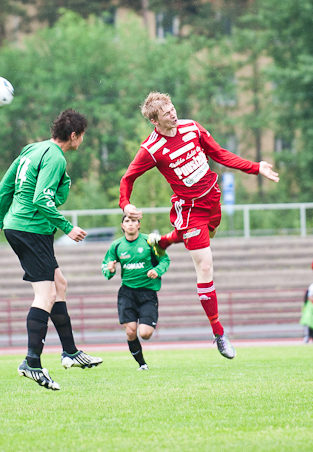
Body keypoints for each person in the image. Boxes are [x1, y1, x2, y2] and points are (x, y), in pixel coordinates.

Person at [119, 92, 279, 359]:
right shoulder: (151, 149)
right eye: (166, 111)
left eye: (172, 106)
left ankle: (165, 241)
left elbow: (220, 154)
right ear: (155, 121)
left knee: (210, 233)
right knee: (205, 266)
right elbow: (128, 178)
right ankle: (219, 334)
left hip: (213, 200)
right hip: (190, 211)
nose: (173, 112)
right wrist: (126, 204)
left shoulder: (192, 127)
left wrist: (254, 167)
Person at [0, 109, 103, 391]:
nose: (82, 140)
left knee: (59, 284)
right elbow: (41, 199)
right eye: (82, 136)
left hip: (21, 226)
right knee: (46, 294)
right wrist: (67, 227)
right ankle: (31, 363)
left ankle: (71, 352)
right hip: (31, 229)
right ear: (74, 136)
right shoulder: (55, 158)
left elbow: (6, 185)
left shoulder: (33, 148)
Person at [102, 215, 170, 370]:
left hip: (147, 293)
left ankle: (142, 360)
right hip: (127, 293)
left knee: (145, 333)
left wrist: (157, 270)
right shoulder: (116, 245)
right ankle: (142, 364)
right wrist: (110, 269)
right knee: (131, 331)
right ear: (122, 225)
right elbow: (106, 265)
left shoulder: (149, 242)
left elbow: (165, 260)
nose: (130, 224)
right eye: (127, 221)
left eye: (134, 221)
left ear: (139, 225)